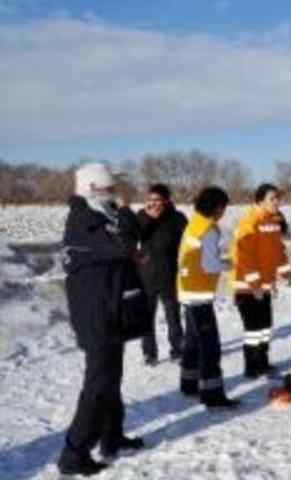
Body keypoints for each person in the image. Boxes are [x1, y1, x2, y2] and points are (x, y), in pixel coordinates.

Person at [58, 163, 145, 476]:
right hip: (97, 316)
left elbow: (117, 251)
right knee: (98, 385)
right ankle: (74, 453)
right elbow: (123, 243)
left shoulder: (97, 216)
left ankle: (112, 437)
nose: (117, 195)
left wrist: (128, 255)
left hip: (109, 309)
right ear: (95, 189)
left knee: (111, 379)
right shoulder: (86, 219)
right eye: (112, 189)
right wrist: (126, 214)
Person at [177, 186, 241, 409]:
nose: (223, 212)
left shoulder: (194, 223)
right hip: (199, 294)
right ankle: (213, 394)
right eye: (223, 207)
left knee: (192, 343)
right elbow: (210, 264)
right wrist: (229, 263)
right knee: (210, 346)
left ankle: (189, 383)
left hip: (186, 290)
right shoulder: (210, 230)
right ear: (217, 207)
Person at [231, 183, 291, 378]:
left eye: (278, 198)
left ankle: (263, 363)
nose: (277, 202)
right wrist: (254, 285)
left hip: (265, 286)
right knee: (253, 330)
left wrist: (286, 272)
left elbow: (278, 251)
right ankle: (251, 367)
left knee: (265, 327)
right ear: (259, 201)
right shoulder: (249, 222)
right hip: (247, 287)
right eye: (272, 199)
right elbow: (245, 257)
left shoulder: (273, 222)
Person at [137, 183, 188, 365]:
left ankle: (178, 350)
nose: (153, 204)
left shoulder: (177, 218)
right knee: (146, 318)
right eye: (150, 200)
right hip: (146, 275)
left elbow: (187, 244)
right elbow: (135, 235)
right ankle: (149, 353)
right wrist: (149, 218)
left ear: (166, 201)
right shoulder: (142, 216)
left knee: (173, 315)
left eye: (157, 200)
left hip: (169, 273)